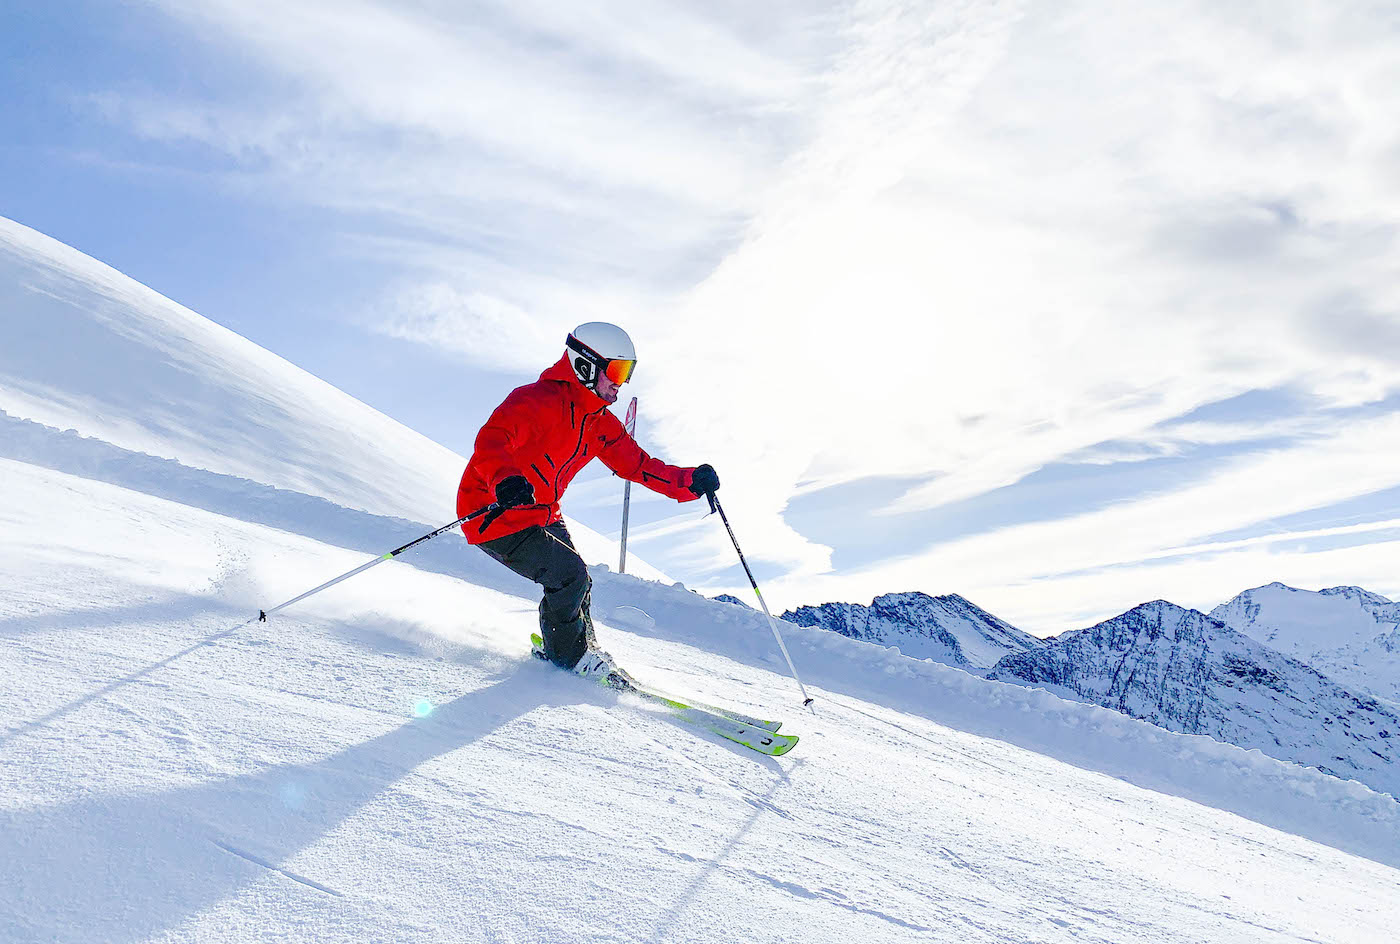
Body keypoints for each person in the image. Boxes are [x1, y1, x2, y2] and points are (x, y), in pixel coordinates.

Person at [457, 322, 720, 687]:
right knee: (569, 575)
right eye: (615, 371)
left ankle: (580, 648)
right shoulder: (534, 400)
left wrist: (690, 482)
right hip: (496, 510)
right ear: (585, 365)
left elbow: (639, 466)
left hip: (544, 510)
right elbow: (492, 441)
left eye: (627, 372)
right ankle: (569, 658)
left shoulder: (599, 422)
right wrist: (504, 480)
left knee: (580, 580)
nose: (621, 382)